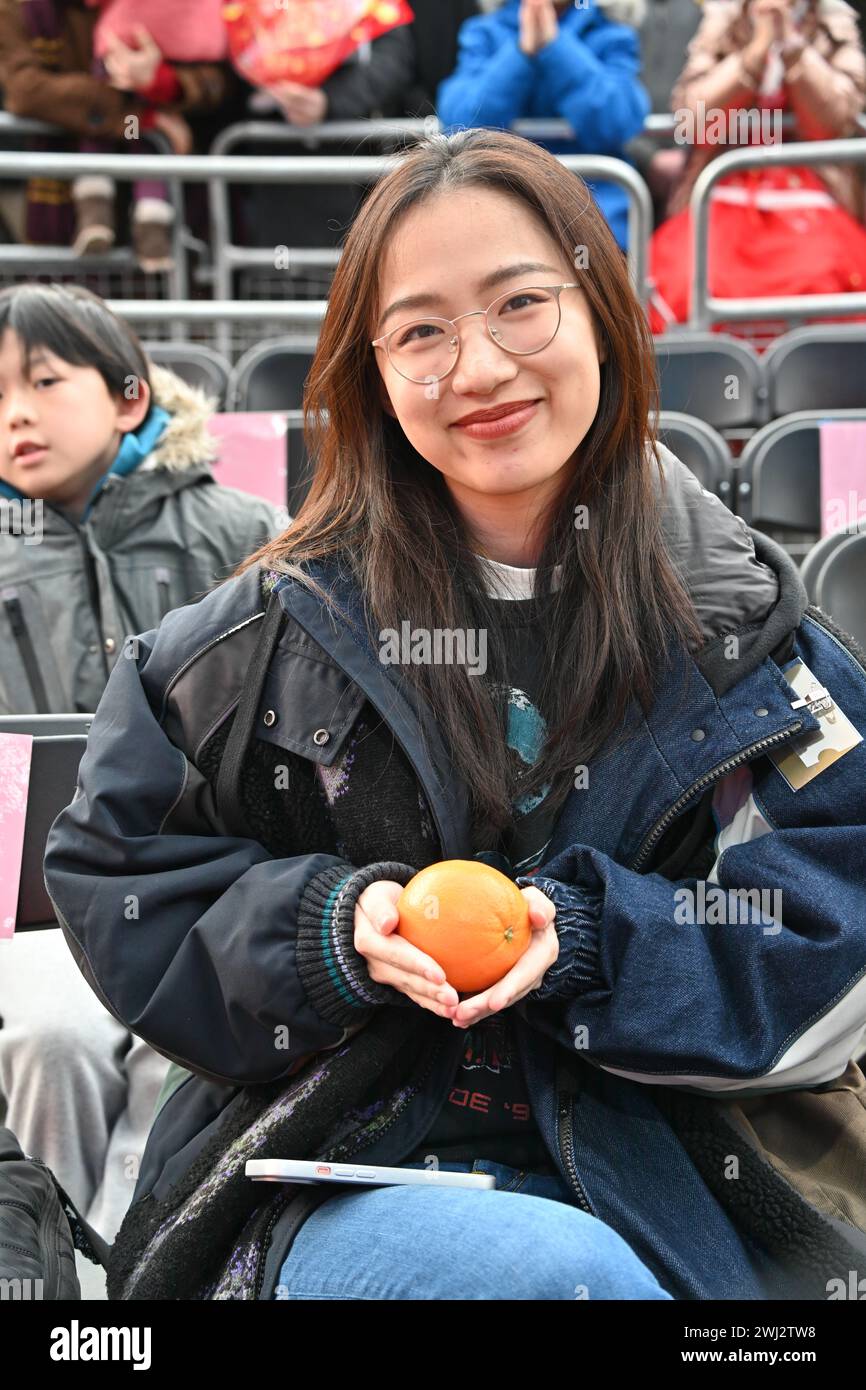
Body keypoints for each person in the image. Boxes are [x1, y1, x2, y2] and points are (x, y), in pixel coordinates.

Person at [43, 129, 866, 1302]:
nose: (475, 368)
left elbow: (839, 911)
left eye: (519, 303)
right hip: (338, 1165)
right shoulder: (253, 638)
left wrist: (593, 946)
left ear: (601, 312)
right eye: (420, 330)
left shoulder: (747, 637)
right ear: (368, 368)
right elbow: (119, 875)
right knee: (550, 1280)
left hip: (686, 1165)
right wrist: (326, 931)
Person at [0, 282, 283, 1296]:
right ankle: (41, 1275)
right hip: (34, 925)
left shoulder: (248, 531)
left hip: (217, 898)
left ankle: (156, 1280)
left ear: (128, 398)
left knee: (188, 1048)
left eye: (41, 380)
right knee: (50, 1034)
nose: (15, 414)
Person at [649, 0, 866, 337]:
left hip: (813, 189)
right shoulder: (722, 20)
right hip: (723, 183)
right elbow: (694, 120)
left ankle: (812, 375)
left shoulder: (832, 21)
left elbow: (835, 124)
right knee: (694, 274)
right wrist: (754, 54)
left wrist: (793, 49)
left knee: (818, 272)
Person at [0, 0, 231, 256]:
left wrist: (165, 82)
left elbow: (218, 83)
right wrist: (137, 116)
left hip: (169, 203)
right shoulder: (19, 7)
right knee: (65, 288)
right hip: (64, 196)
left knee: (156, 283)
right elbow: (26, 93)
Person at [437, 0, 651, 253]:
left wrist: (555, 47)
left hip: (594, 205)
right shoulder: (485, 31)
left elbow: (617, 120)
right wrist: (521, 53)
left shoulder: (610, 32)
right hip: (499, 194)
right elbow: (460, 121)